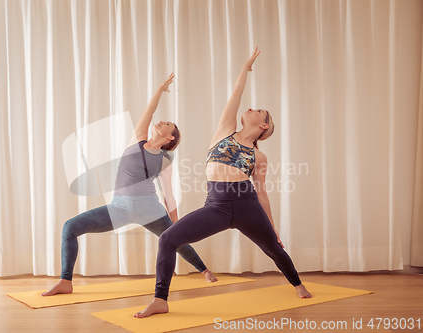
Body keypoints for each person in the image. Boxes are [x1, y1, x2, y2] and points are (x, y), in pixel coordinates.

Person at [134, 47, 312, 318]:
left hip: (247, 205)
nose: (251, 108)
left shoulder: (258, 155)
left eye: (258, 111)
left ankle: (297, 283)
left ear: (263, 126)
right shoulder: (225, 131)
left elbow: (262, 193)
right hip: (215, 206)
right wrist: (245, 69)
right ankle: (160, 299)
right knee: (168, 238)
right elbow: (236, 96)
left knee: (274, 248)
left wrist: (273, 227)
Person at [42, 73, 217, 297]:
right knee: (70, 228)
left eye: (168, 124)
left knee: (177, 240)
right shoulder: (138, 139)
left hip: (150, 209)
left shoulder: (165, 160)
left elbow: (169, 195)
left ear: (170, 138)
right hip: (119, 209)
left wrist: (176, 224)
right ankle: (65, 281)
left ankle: (204, 270)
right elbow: (149, 111)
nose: (162, 121)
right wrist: (160, 89)